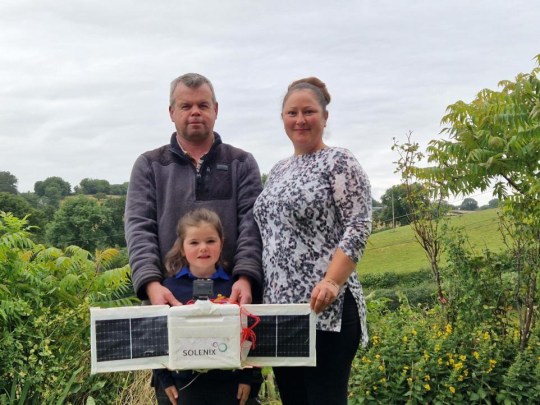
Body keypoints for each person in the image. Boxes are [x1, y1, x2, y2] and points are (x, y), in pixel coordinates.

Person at [124, 73, 263, 403]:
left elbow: (253, 226)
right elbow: (138, 227)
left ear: (216, 109)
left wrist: (245, 277)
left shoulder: (241, 162)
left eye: (203, 105)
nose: (195, 112)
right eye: (186, 106)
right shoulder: (149, 165)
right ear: (171, 112)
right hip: (170, 307)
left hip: (233, 304)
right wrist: (151, 284)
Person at [252, 77, 372, 405]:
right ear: (282, 118)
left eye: (309, 111)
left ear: (325, 116)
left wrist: (332, 282)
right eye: (292, 112)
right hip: (280, 312)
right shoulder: (278, 170)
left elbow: (358, 225)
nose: (300, 120)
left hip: (325, 308)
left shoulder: (339, 162)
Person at [154, 208, 252, 405]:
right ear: (182, 248)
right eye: (194, 242)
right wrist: (164, 380)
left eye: (210, 241)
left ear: (221, 243)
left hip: (228, 386)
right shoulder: (169, 289)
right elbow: (157, 338)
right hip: (184, 386)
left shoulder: (235, 287)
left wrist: (248, 378)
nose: (203, 248)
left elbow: (250, 333)